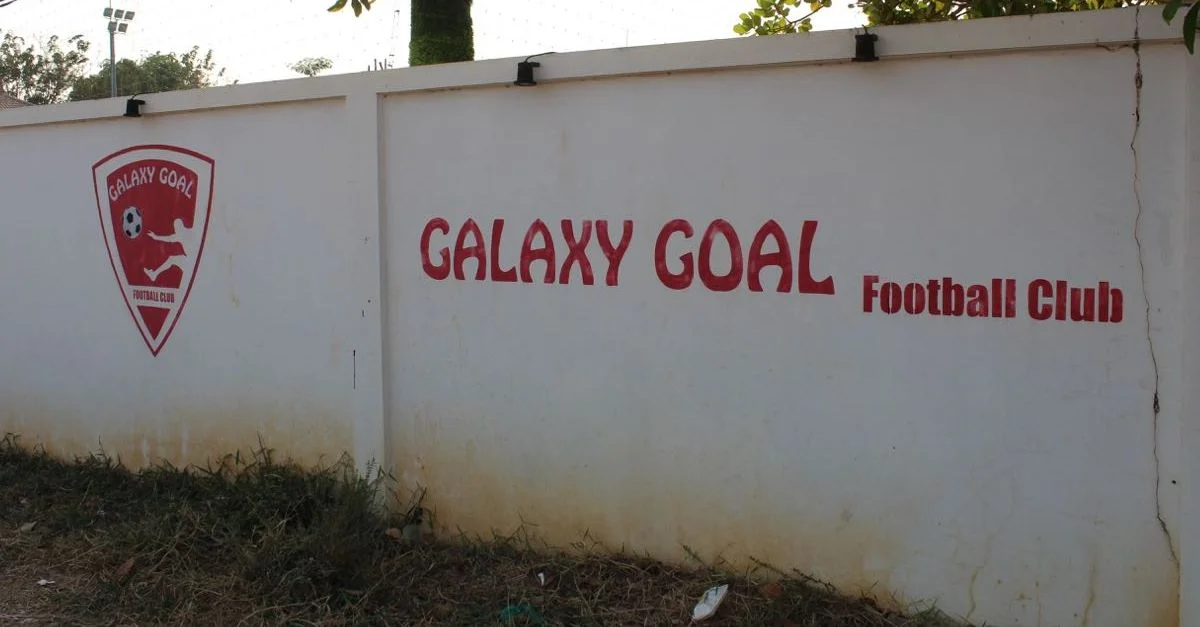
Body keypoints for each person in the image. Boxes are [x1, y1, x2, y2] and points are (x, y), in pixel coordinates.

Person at [143, 218, 197, 282]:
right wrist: (155, 237)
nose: (176, 230)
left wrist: (155, 237)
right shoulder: (181, 234)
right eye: (175, 228)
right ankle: (154, 274)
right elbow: (168, 238)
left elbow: (169, 238)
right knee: (172, 259)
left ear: (181, 226)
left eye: (177, 228)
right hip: (190, 260)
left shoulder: (183, 234)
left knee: (172, 259)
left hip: (193, 263)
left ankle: (154, 274)